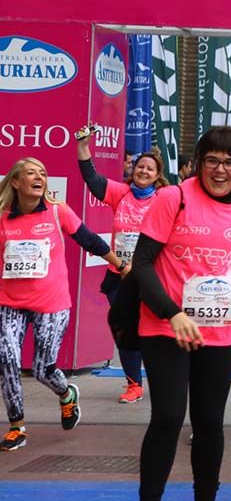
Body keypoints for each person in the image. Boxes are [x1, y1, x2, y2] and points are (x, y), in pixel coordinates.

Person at [132, 126, 231, 500]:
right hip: (166, 327)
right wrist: (171, 312)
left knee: (210, 421)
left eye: (230, 162)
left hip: (220, 330)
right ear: (197, 163)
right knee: (168, 416)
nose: (220, 170)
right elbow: (142, 263)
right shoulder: (172, 197)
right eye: (212, 160)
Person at [0, 157, 124, 452]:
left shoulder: (57, 212)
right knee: (7, 361)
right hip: (9, 302)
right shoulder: (3, 217)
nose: (39, 177)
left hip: (51, 303)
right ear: (16, 182)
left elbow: (91, 241)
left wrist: (122, 266)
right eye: (31, 172)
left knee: (43, 370)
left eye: (43, 172)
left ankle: (67, 393)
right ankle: (17, 426)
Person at [75, 125, 168, 404]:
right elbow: (91, 178)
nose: (143, 171)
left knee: (153, 331)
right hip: (120, 275)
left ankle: (165, 380)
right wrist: (83, 146)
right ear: (133, 169)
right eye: (140, 166)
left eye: (150, 169)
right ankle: (133, 384)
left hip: (152, 277)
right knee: (126, 330)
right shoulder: (120, 193)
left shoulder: (165, 199)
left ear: (157, 175)